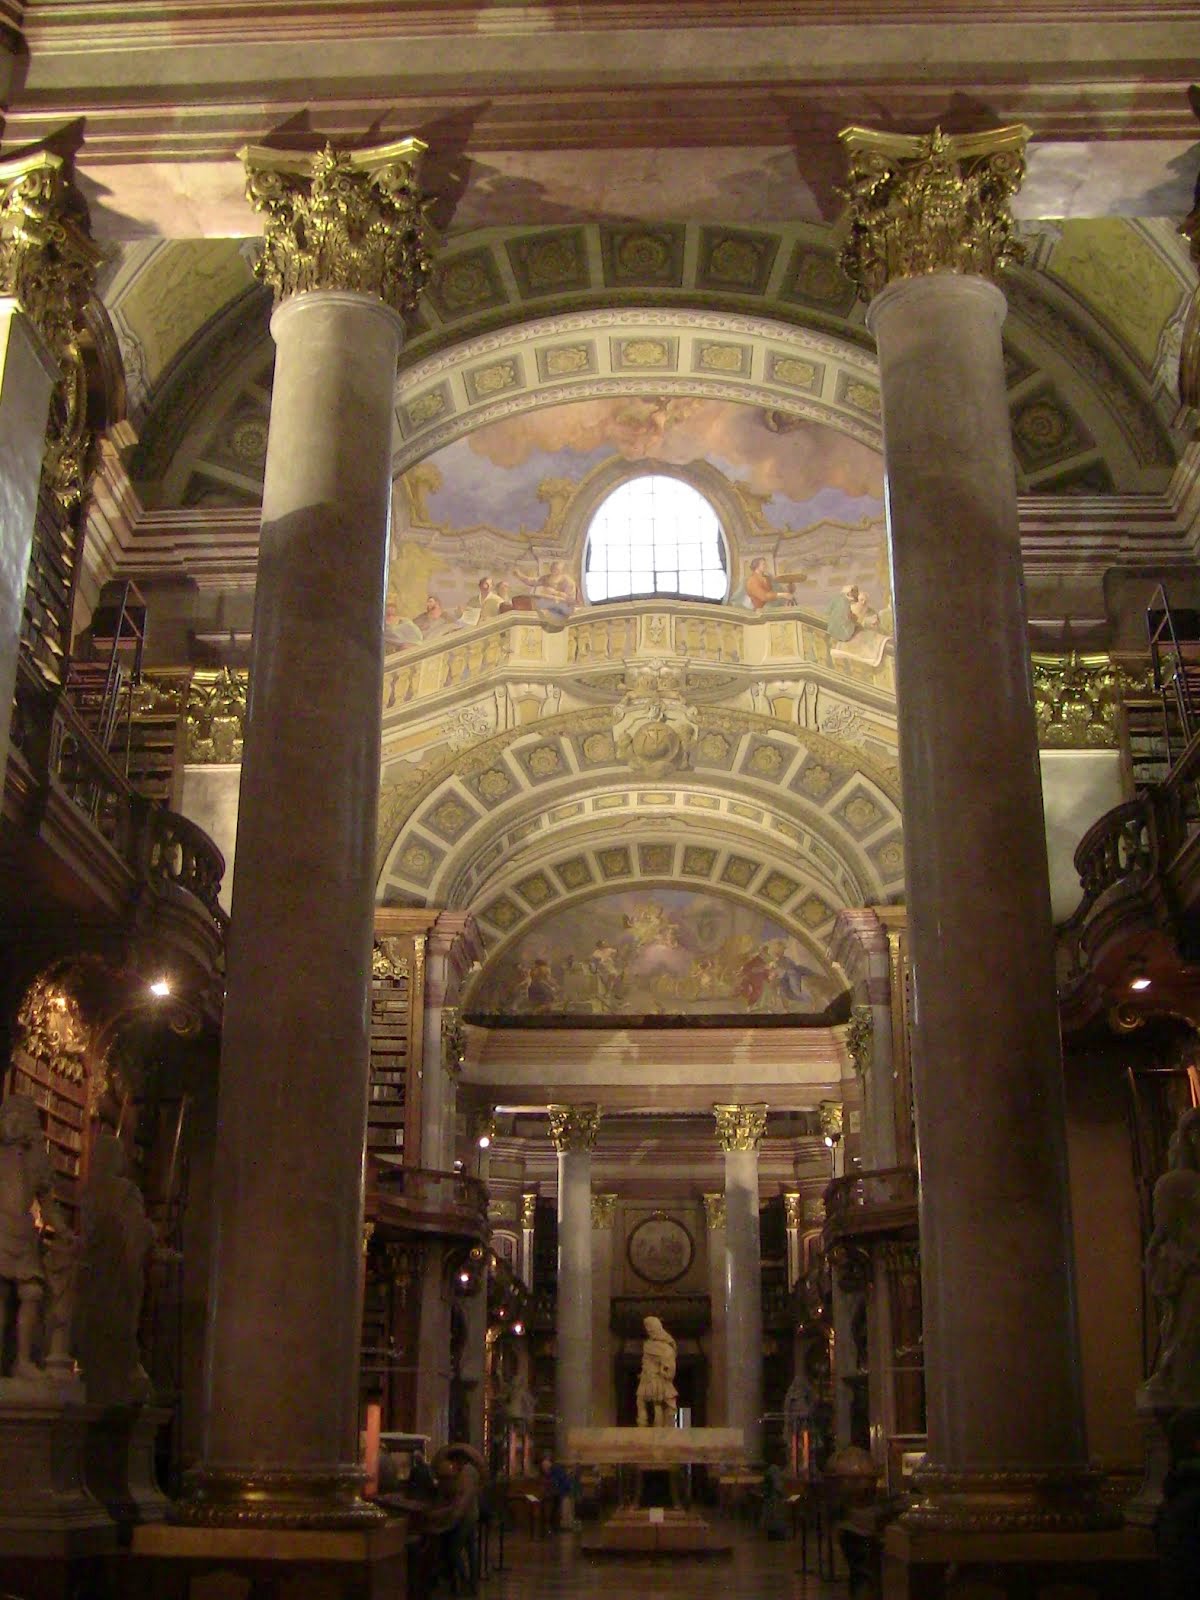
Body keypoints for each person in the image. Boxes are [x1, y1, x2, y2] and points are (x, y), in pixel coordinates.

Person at [0, 1091, 65, 1380]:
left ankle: (23, 1360)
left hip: (24, 1231)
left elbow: (49, 1204)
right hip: (0, 1227)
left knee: (32, 1292)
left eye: (21, 1117)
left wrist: (64, 1231)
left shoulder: (38, 1161)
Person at [636, 1314, 678, 1427]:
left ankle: (656, 1430)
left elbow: (667, 1366)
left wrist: (664, 1372)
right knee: (645, 1402)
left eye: (649, 1329)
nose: (648, 1332)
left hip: (654, 1378)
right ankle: (643, 1426)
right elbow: (647, 1362)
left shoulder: (661, 1347)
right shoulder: (651, 1345)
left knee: (655, 1404)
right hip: (648, 1377)